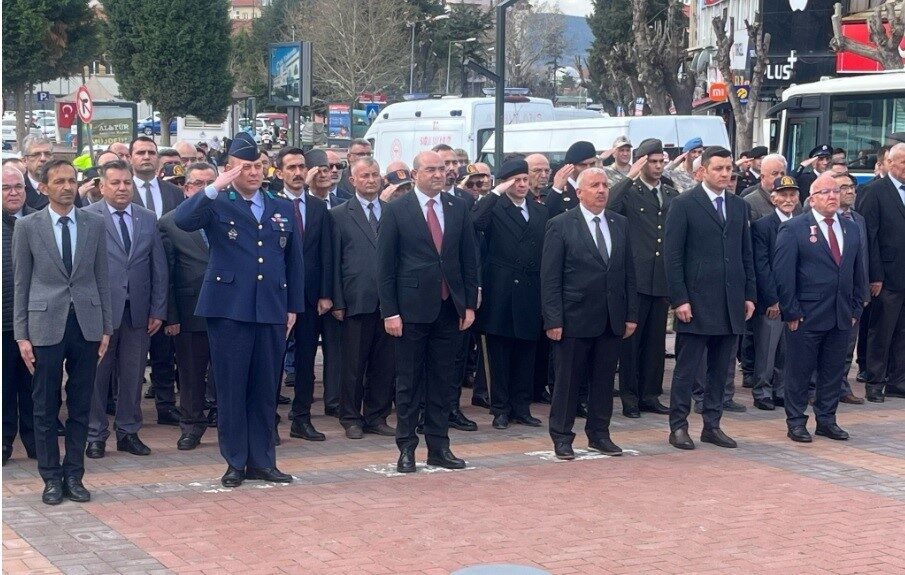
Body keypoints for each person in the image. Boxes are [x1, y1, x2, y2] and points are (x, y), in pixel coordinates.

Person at [173, 132, 304, 488]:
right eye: (245, 167)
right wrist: (214, 186)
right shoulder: (218, 202)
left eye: (259, 165)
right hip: (229, 308)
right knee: (231, 388)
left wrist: (293, 306)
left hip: (271, 308)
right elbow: (180, 220)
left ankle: (263, 460)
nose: (254, 172)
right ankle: (235, 461)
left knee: (265, 388)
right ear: (229, 170)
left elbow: (293, 260)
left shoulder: (280, 206)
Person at [13, 159, 113, 505]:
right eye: (59, 181)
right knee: (44, 404)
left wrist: (106, 328)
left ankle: (75, 473)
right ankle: (51, 477)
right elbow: (21, 283)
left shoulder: (95, 224)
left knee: (82, 402)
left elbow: (103, 277)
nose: (67, 187)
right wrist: (22, 335)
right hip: (44, 325)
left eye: (71, 181)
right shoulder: (28, 226)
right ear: (43, 187)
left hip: (86, 323)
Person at [377, 150, 479, 473]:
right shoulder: (396, 210)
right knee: (408, 382)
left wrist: (469, 305)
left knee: (443, 380)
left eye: (443, 168)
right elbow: (385, 267)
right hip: (410, 311)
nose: (439, 174)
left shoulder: (458, 207)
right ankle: (406, 447)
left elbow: (468, 259)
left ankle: (439, 446)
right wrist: (389, 312)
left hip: (449, 308)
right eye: (432, 169)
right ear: (416, 173)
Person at [541, 167, 638, 459]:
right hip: (574, 317)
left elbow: (628, 273)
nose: (601, 190)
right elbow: (550, 277)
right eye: (594, 185)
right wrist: (553, 319)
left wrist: (630, 314)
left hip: (611, 317)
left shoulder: (619, 223)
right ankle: (562, 436)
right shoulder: (561, 224)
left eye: (605, 185)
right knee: (568, 381)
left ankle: (599, 434)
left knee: (603, 380)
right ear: (579, 192)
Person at [664, 146, 756, 451]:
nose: (726, 174)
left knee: (721, 369)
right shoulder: (684, 204)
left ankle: (712, 425)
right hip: (696, 302)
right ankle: (678, 426)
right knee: (687, 369)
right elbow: (673, 256)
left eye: (729, 168)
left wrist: (749, 295)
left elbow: (746, 255)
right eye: (719, 168)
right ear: (702, 171)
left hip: (730, 301)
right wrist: (680, 299)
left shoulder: (739, 206)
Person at [83, 160, 167, 458]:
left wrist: (158, 309)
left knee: (132, 376)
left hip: (138, 312)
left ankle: (128, 432)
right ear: (102, 187)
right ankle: (95, 435)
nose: (122, 188)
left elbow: (158, 266)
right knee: (97, 377)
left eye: (126, 183)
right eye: (115, 183)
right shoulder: (87, 217)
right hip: (100, 314)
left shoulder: (147, 218)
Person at [773, 173, 866, 442]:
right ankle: (796, 421)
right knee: (800, 371)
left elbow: (857, 270)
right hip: (806, 314)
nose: (832, 196)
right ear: (812, 199)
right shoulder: (795, 228)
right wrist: (791, 311)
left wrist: (856, 308)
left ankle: (827, 419)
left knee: (833, 370)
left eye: (836, 191)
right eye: (825, 192)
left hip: (840, 314)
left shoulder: (850, 227)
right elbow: (784, 274)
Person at [471, 159, 548, 429]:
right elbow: (475, 222)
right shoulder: (494, 208)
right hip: (501, 291)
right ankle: (500, 408)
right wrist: (494, 193)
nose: (523, 185)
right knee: (500, 354)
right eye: (516, 180)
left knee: (526, 352)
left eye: (525, 179)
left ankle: (521, 407)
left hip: (530, 291)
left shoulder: (539, 211)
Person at [607, 138, 676, 418]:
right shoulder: (629, 192)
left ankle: (651, 394)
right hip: (634, 277)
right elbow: (610, 205)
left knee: (655, 343)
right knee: (631, 343)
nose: (658, 167)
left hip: (660, 279)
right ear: (641, 162)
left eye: (661, 162)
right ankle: (630, 398)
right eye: (652, 162)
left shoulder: (670, 194)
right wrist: (630, 175)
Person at [330, 157, 396, 439]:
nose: (371, 180)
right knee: (354, 364)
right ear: (352, 181)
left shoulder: (395, 211)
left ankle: (377, 416)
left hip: (390, 302)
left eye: (375, 174)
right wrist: (336, 300)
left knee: (385, 363)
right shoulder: (339, 214)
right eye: (364, 176)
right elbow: (333, 261)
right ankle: (350, 416)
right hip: (356, 298)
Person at [274, 147, 334, 440]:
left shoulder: (319, 207)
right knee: (272, 359)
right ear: (279, 173)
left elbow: (326, 254)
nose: (298, 173)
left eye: (301, 167)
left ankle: (302, 418)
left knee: (307, 360)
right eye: (291, 168)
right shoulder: (269, 204)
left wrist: (325, 293)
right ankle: (268, 418)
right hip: (276, 295)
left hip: (310, 297)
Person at [158, 162, 219, 450]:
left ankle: (226, 416)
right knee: (191, 373)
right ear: (186, 188)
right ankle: (192, 425)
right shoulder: (169, 222)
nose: (205, 189)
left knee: (227, 369)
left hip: (228, 309)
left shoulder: (230, 216)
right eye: (198, 184)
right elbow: (165, 274)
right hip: (189, 309)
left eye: (211, 182)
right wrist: (171, 316)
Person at [128, 135, 184, 425]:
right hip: (134, 279)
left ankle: (166, 404)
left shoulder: (173, 193)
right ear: (130, 158)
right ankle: (127, 409)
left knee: (165, 351)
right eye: (141, 152)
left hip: (168, 279)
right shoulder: (122, 191)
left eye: (151, 152)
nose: (147, 157)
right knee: (132, 356)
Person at [858, 143, 905, 402]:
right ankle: (875, 381)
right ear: (891, 163)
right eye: (904, 163)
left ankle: (898, 380)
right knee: (882, 330)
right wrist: (874, 275)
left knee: (903, 332)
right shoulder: (874, 191)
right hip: (886, 277)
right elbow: (869, 236)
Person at [749, 176, 799, 411]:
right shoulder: (763, 225)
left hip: (794, 300)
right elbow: (762, 266)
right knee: (767, 350)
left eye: (792, 195)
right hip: (773, 300)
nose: (788, 200)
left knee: (787, 350)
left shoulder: (801, 223)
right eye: (783, 195)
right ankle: (762, 390)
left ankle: (780, 390)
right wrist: (773, 299)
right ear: (774, 198)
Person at [3, 165, 36, 465]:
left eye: (18, 186)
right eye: (6, 187)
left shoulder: (39, 221)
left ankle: (35, 442)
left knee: (34, 389)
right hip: (2, 322)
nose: (13, 192)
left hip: (34, 323)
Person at [835, 172, 868, 405]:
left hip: (853, 293)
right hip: (827, 295)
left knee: (848, 343)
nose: (850, 191)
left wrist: (863, 291)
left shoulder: (858, 220)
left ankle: (842, 385)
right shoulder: (816, 220)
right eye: (843, 187)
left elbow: (862, 258)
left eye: (852, 187)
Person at [545, 141, 597, 217]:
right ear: (569, 167)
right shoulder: (557, 191)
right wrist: (556, 189)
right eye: (583, 165)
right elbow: (547, 215)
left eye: (592, 164)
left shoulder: (599, 187)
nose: (588, 169)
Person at [742, 154, 793, 220]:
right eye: (775, 174)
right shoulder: (749, 202)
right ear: (762, 177)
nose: (780, 177)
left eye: (782, 174)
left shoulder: (793, 201)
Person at [432, 144, 475, 208]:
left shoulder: (467, 198)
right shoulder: (426, 197)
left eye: (455, 163)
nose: (452, 168)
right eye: (446, 163)